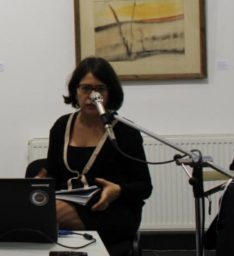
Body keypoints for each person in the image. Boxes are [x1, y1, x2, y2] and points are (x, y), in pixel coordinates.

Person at [37, 56, 152, 256]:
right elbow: (53, 172)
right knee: (30, 211)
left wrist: (118, 190)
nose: (92, 96)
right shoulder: (61, 126)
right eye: (86, 88)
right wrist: (40, 182)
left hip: (111, 209)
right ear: (75, 90)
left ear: (110, 93)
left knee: (45, 215)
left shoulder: (125, 132)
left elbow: (144, 187)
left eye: (100, 89)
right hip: (68, 200)